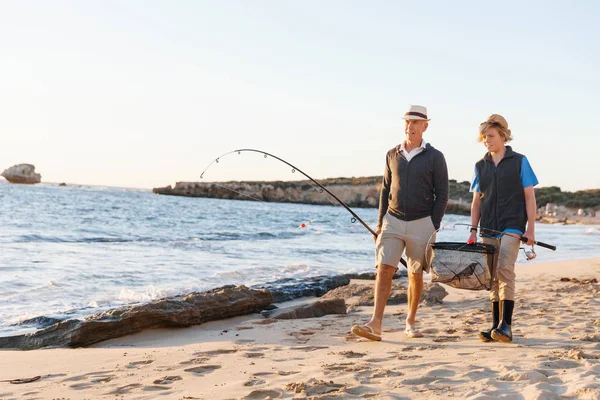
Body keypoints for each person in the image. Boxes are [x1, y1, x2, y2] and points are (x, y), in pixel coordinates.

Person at [351, 105, 449, 341]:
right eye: (407, 122)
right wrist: (379, 224)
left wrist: (432, 224)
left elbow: (442, 194)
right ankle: (375, 323)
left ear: (425, 126)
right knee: (384, 269)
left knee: (415, 274)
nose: (410, 126)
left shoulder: (435, 157)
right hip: (392, 221)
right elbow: (385, 190)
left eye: (416, 122)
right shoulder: (392, 154)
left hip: (422, 223)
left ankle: (411, 322)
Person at [468, 114, 538, 343]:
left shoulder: (519, 161)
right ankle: (495, 326)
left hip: (512, 224)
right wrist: (472, 230)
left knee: (505, 269)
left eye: (490, 136)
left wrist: (530, 230)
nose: (486, 140)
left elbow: (529, 196)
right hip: (488, 227)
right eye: (483, 137)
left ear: (503, 136)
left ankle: (506, 325)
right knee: (492, 276)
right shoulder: (480, 165)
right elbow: (477, 200)